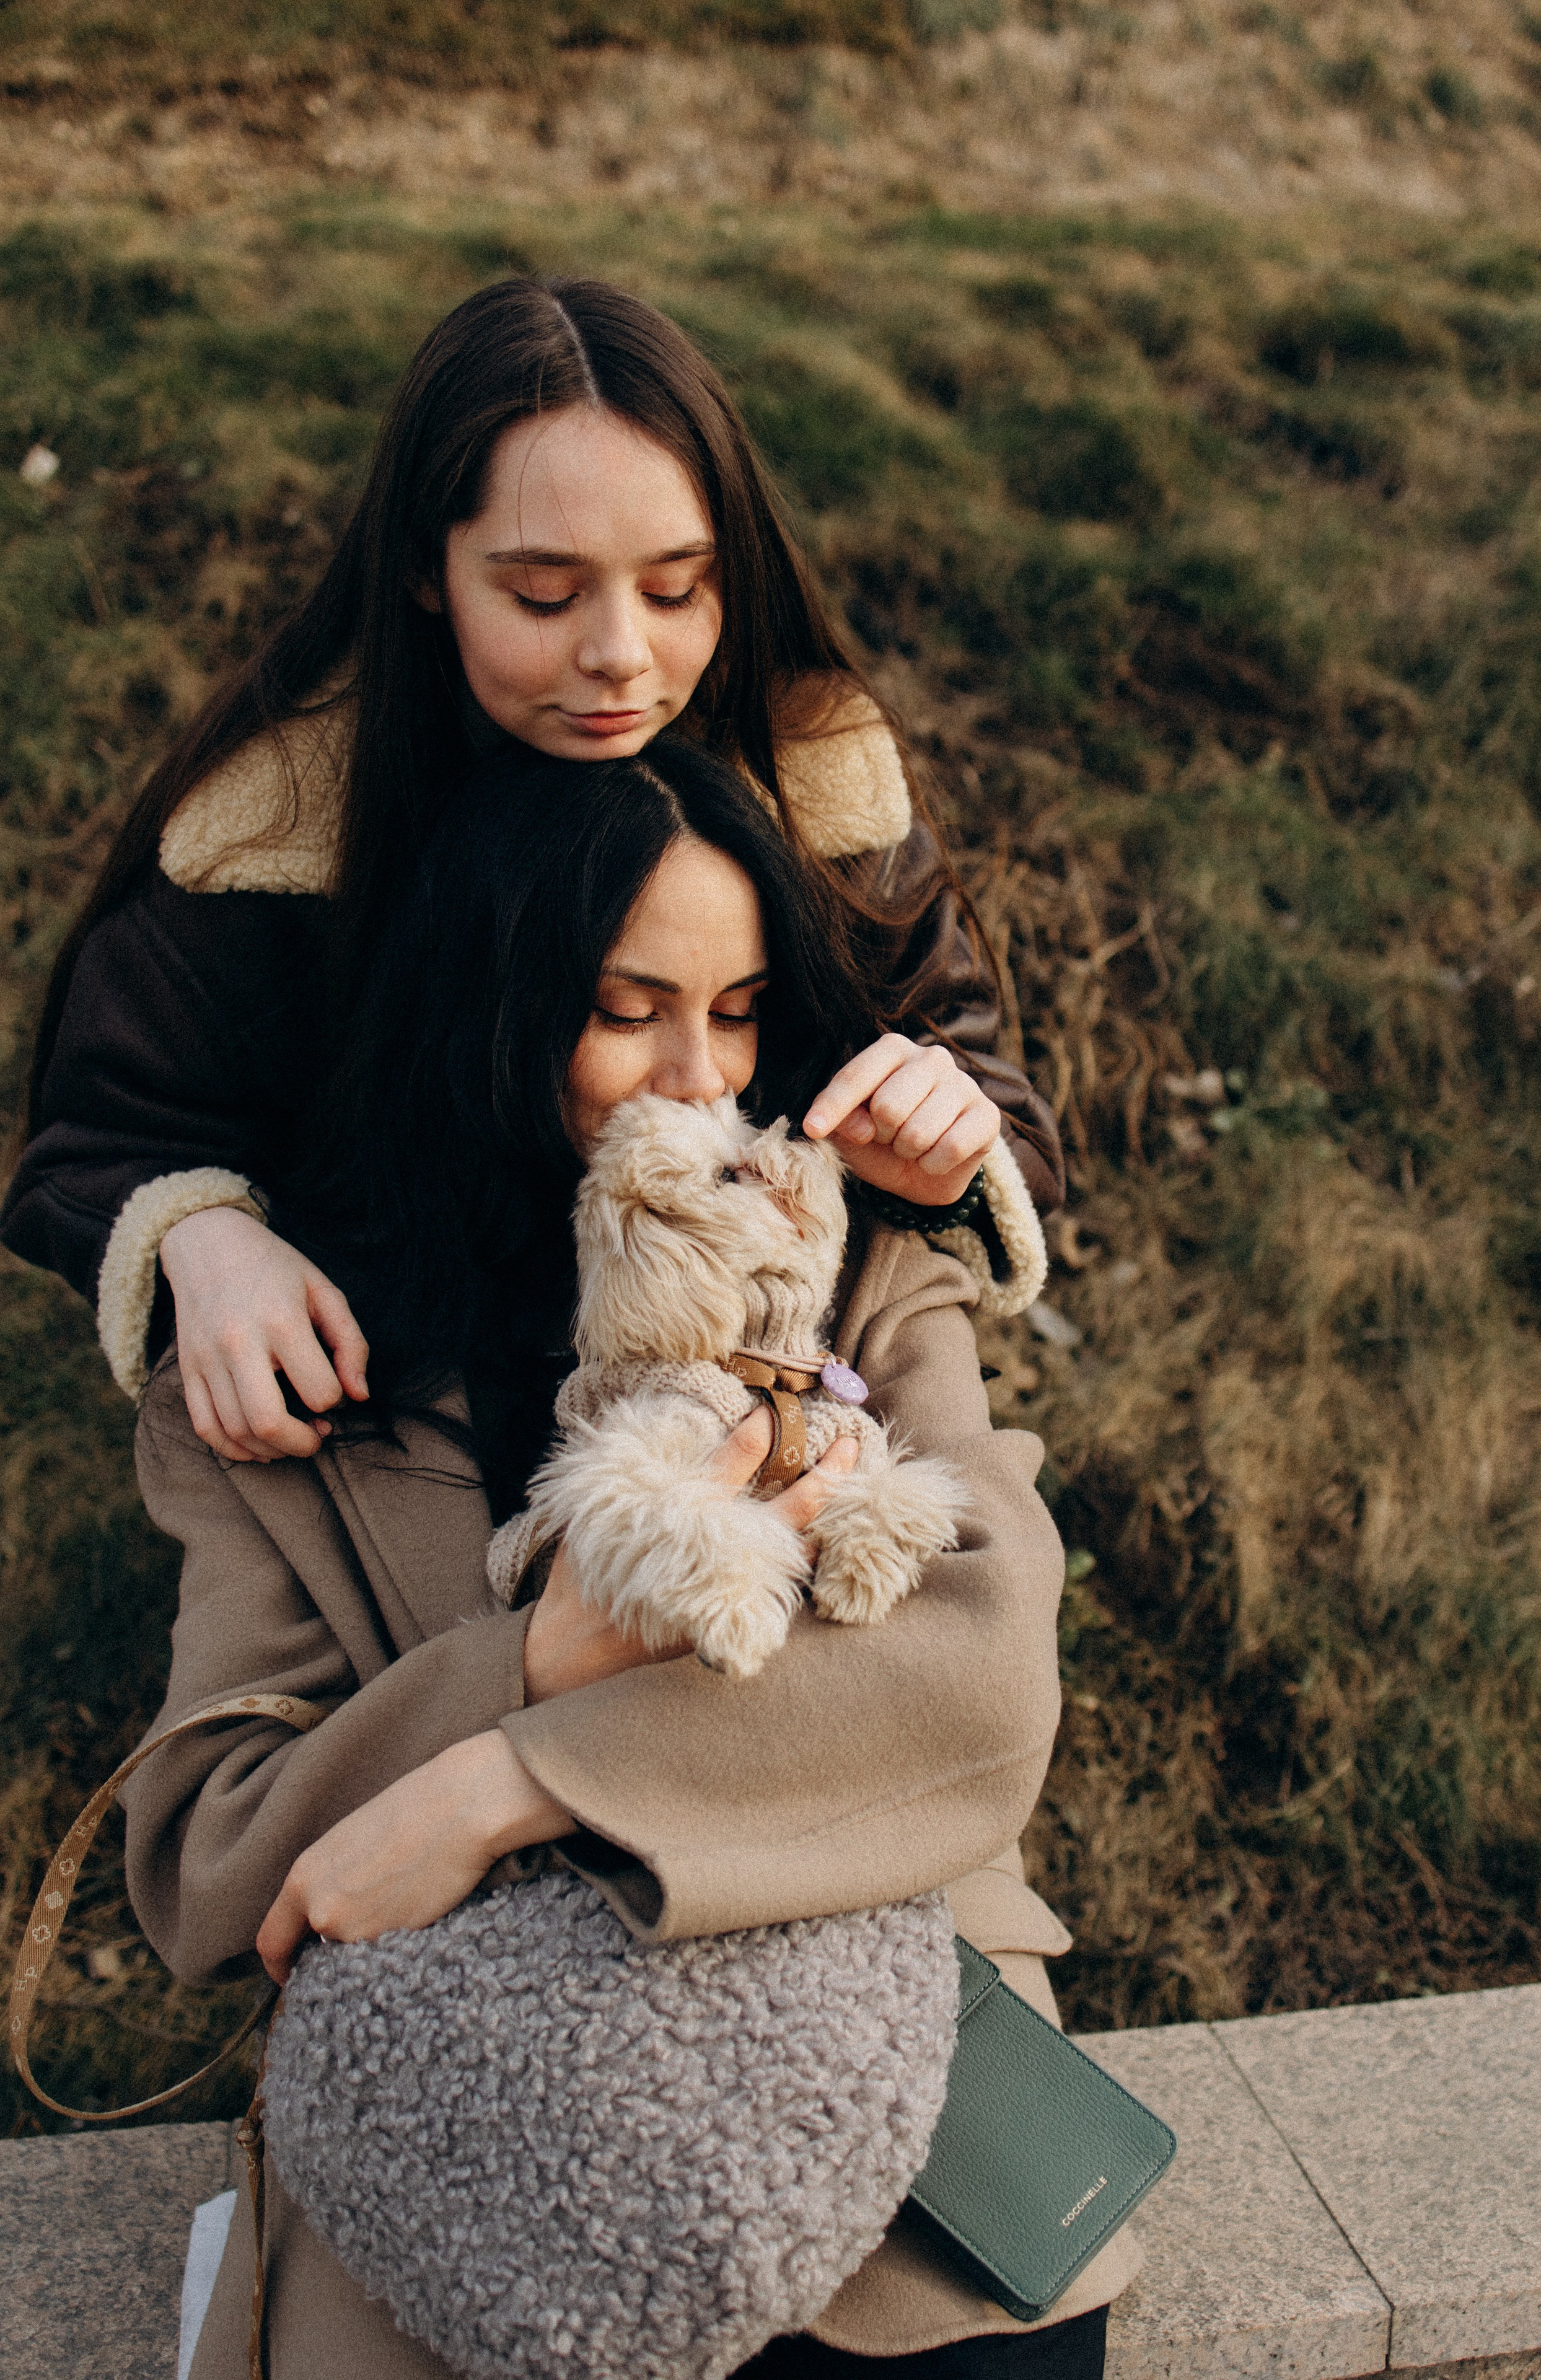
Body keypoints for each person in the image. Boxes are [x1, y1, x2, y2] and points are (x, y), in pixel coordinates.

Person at [123, 739, 1135, 2379]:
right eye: (622, 1008)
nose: (696, 1081)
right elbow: (208, 1859)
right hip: (485, 2128)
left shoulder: (854, 1258)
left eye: (736, 1014)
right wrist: (532, 1654)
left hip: (882, 2077)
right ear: (492, 1004)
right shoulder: (280, 1361)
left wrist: (507, 1779)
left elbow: (988, 1673)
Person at [1, 274, 1058, 1469]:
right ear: (422, 568)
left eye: (676, 588)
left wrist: (943, 1132)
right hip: (389, 1400)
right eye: (542, 594)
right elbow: (98, 1139)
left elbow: (983, 1089)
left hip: (753, 1378)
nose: (619, 656)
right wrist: (198, 1234)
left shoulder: (816, 792)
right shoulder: (276, 835)